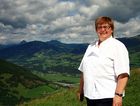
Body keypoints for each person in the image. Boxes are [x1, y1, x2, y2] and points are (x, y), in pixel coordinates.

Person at [77, 16, 130, 106]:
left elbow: (123, 74)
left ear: (111, 29)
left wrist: (118, 95)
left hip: (107, 97)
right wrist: (81, 89)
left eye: (106, 27)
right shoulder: (91, 46)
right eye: (99, 27)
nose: (102, 30)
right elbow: (84, 70)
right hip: (90, 96)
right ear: (96, 29)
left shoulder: (118, 46)